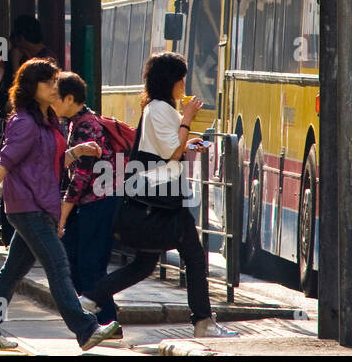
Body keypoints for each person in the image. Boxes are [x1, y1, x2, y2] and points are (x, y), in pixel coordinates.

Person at [77, 52, 237, 339]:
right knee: (195, 256)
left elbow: (172, 146)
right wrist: (187, 119)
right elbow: (171, 151)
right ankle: (203, 321)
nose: (183, 85)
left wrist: (190, 140)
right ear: (170, 81)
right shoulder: (160, 109)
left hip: (157, 196)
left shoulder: (159, 108)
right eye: (181, 79)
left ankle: (90, 297)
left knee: (144, 264)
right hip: (162, 197)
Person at [0, 58, 120, 351]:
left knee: (11, 272)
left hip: (40, 205)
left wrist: (77, 151)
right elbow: (4, 164)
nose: (54, 86)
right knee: (59, 266)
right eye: (48, 82)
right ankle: (85, 329)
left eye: (55, 81)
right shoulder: (24, 121)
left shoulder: (47, 120)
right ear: (31, 86)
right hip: (28, 207)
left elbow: (45, 160)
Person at [54, 71, 119, 327]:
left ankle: (107, 321)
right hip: (89, 204)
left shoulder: (87, 126)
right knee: (72, 259)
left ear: (70, 98)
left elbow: (81, 178)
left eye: (56, 98)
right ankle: (96, 318)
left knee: (91, 264)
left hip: (98, 203)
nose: (52, 103)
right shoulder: (76, 122)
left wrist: (62, 215)